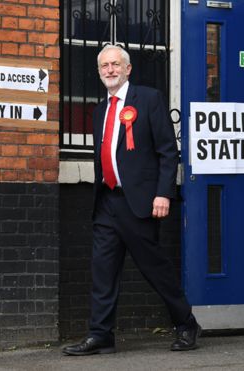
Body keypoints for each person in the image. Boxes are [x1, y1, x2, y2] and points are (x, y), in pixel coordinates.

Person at [62, 44, 201, 356]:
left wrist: (163, 192)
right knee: (103, 271)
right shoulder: (100, 110)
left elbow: (168, 151)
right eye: (104, 66)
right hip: (107, 202)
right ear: (99, 72)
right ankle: (101, 335)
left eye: (115, 64)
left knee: (155, 269)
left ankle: (186, 323)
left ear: (128, 69)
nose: (110, 70)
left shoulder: (148, 99)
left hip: (139, 203)